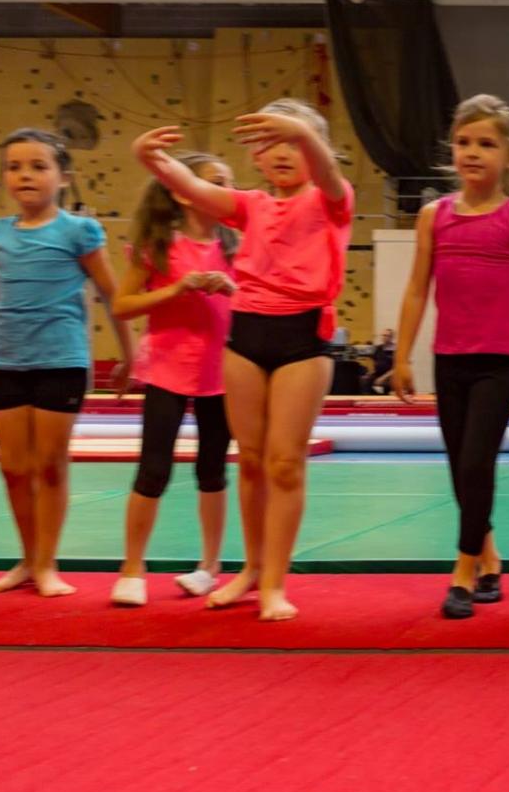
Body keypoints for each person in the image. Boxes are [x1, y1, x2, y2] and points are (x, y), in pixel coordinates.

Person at [134, 100, 352, 622]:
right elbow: (192, 187)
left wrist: (302, 131)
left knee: (284, 462)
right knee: (250, 460)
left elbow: (328, 172)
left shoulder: (331, 199)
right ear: (256, 155)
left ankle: (275, 581)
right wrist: (150, 158)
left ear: (315, 149)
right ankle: (251, 570)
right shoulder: (251, 205)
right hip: (247, 335)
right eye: (272, 144)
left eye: (295, 143)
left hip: (303, 337)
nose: (284, 153)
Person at [392, 95, 509, 620]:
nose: (472, 152)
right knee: (461, 468)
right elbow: (417, 289)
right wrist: (402, 356)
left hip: (499, 359)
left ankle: (463, 570)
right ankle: (491, 556)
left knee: (478, 462)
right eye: (463, 142)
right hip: (450, 358)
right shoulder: (434, 217)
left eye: (486, 144)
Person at [0, 128, 133, 598]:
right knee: (12, 467)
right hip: (8, 361)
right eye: (14, 167)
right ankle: (27, 559)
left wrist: (130, 354)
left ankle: (46, 562)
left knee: (49, 464)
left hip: (60, 361)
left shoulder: (78, 231)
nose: (25, 175)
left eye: (38, 166)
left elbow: (112, 294)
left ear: (63, 177)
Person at [110, 150, 237, 606]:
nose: (226, 192)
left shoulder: (235, 245)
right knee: (154, 468)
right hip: (166, 369)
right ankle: (132, 566)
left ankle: (210, 565)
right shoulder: (159, 245)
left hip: (221, 373)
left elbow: (260, 299)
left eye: (228, 183)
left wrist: (232, 288)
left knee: (212, 469)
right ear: (184, 192)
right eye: (215, 182)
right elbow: (122, 305)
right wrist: (177, 288)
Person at [367, 328, 397, 394]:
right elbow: (375, 361)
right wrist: (371, 372)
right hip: (378, 374)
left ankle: (382, 396)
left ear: (391, 337)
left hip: (390, 376)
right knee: (365, 380)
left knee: (381, 384)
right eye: (383, 335)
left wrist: (382, 378)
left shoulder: (395, 349)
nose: (384, 337)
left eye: (387, 335)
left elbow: (396, 368)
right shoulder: (378, 348)